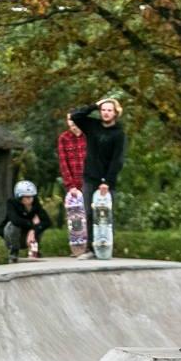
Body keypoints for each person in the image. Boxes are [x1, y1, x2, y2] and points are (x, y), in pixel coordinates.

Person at [69, 98, 127, 258]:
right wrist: (94, 105)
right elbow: (75, 116)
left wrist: (107, 181)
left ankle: (106, 247)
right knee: (88, 213)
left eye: (109, 110)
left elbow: (118, 160)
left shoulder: (119, 133)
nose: (106, 113)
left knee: (105, 214)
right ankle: (90, 249)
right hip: (90, 177)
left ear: (115, 113)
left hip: (108, 180)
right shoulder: (92, 126)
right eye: (103, 110)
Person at [0, 181, 50, 263]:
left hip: (28, 237)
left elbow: (47, 221)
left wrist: (33, 230)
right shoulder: (12, 203)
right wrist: (32, 223)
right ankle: (14, 251)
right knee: (12, 225)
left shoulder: (35, 203)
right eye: (27, 197)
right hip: (12, 238)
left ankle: (34, 249)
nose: (30, 199)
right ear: (20, 197)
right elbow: (15, 220)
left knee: (40, 224)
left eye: (31, 197)